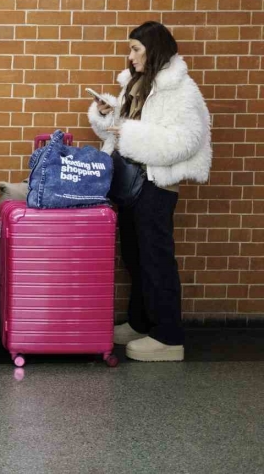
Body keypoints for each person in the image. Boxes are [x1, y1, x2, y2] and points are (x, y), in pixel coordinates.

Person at [88, 21, 211, 362]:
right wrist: (109, 114)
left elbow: (186, 141)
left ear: (154, 49)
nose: (130, 56)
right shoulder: (136, 83)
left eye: (136, 49)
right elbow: (128, 126)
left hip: (157, 183)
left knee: (157, 259)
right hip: (130, 182)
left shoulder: (180, 90)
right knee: (134, 255)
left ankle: (168, 337)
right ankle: (142, 323)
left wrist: (129, 133)